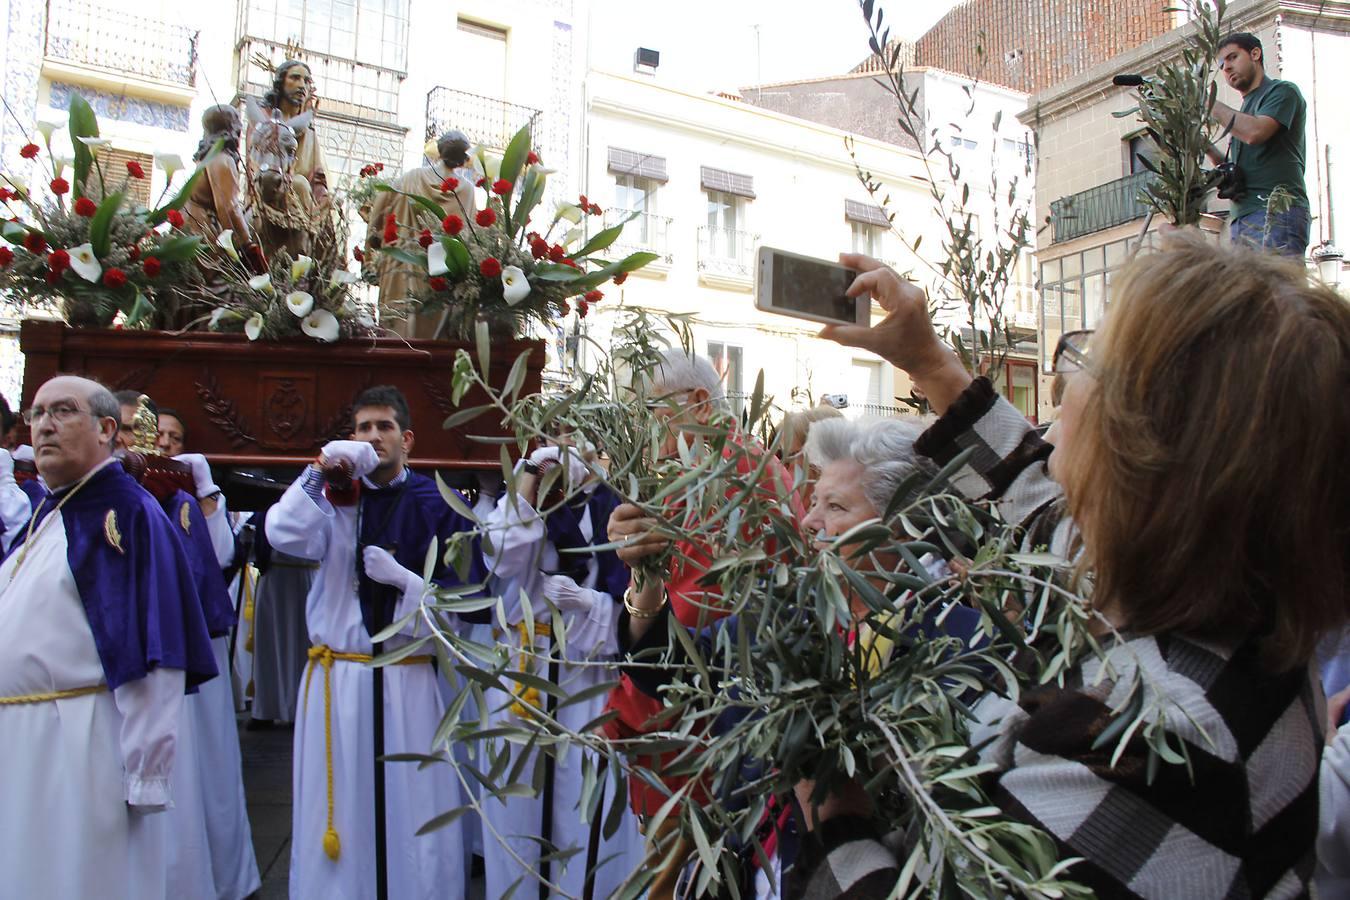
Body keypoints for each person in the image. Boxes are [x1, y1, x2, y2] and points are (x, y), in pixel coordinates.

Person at [784, 238, 1350, 896]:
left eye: (1086, 361)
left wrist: (835, 816)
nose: (1062, 391)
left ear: (1143, 451)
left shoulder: (1152, 741)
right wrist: (928, 361)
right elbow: (1035, 496)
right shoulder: (1233, 599)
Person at [619, 415, 977, 896]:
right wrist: (646, 579)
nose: (809, 523)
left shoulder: (958, 644)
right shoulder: (790, 609)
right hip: (757, 867)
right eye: (813, 502)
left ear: (905, 525)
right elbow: (671, 674)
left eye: (835, 506)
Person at [266, 385, 487, 900]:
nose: (373, 437)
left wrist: (407, 582)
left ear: (406, 438)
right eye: (363, 428)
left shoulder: (437, 501)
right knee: (341, 803)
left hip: (406, 677)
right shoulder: (336, 499)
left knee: (411, 805)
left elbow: (469, 603)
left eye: (383, 426)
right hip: (337, 679)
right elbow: (281, 533)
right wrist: (321, 469)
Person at [0, 375, 217, 899]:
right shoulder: (50, 514)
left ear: (106, 429)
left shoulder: (127, 513)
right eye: (37, 413)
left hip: (79, 746)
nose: (45, 425)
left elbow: (156, 650)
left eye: (64, 411)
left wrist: (146, 773)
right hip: (25, 741)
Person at [603, 349, 804, 899]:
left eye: (645, 411)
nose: (638, 429)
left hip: (703, 743)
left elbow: (694, 630)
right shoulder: (707, 472)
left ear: (695, 404)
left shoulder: (734, 480)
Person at [113, 390, 261, 900]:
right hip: (124, 659)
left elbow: (219, 554)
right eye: (134, 429)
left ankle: (213, 876)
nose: (154, 442)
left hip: (185, 652)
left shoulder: (181, 498)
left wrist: (205, 492)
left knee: (200, 770)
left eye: (169, 437)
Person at [480, 442, 645, 898]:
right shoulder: (525, 487)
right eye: (562, 436)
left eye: (585, 441)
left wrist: (588, 603)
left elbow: (637, 605)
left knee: (583, 810)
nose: (575, 448)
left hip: (589, 676)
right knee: (515, 810)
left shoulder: (619, 502)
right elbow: (501, 554)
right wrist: (534, 473)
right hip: (523, 667)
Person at [365, 129, 478, 339]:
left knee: (398, 344)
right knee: (437, 349)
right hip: (442, 281)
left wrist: (372, 248)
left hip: (402, 274)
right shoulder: (467, 190)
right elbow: (472, 240)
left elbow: (379, 210)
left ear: (439, 152)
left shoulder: (411, 178)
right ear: (463, 160)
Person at [1205, 32, 1309, 257]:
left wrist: (1208, 102)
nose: (1227, 68)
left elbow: (1256, 132)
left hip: (1276, 211)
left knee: (1278, 290)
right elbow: (1237, 168)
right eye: (1222, 64)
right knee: (1249, 293)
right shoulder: (1243, 111)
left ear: (1255, 53)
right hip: (1243, 217)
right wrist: (1205, 147)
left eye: (1233, 57)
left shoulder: (1282, 92)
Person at [184, 104, 266, 272]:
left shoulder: (206, 158)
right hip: (203, 233)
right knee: (221, 289)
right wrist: (246, 245)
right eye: (238, 125)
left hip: (189, 229)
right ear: (233, 129)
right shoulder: (223, 160)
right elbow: (228, 207)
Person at [257, 59, 329, 208]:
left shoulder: (309, 131)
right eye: (295, 78)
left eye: (306, 81)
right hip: (269, 191)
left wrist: (324, 198)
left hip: (303, 203)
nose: (302, 85)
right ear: (281, 82)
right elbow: (256, 164)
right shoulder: (264, 119)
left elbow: (317, 176)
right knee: (299, 184)